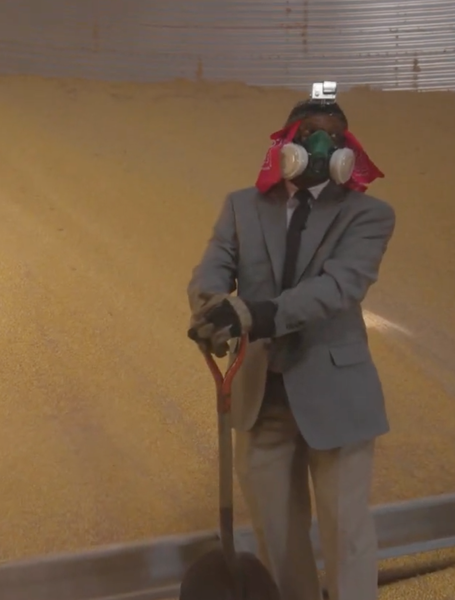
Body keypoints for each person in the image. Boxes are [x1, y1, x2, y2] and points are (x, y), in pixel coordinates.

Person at [186, 85, 396, 600]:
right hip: (261, 395)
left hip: (336, 396)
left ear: (347, 152)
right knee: (277, 538)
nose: (320, 148)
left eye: (332, 139)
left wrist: (253, 314)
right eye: (309, 137)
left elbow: (338, 287)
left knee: (345, 534)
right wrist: (211, 308)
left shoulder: (368, 215)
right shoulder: (242, 206)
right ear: (286, 144)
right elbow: (214, 267)